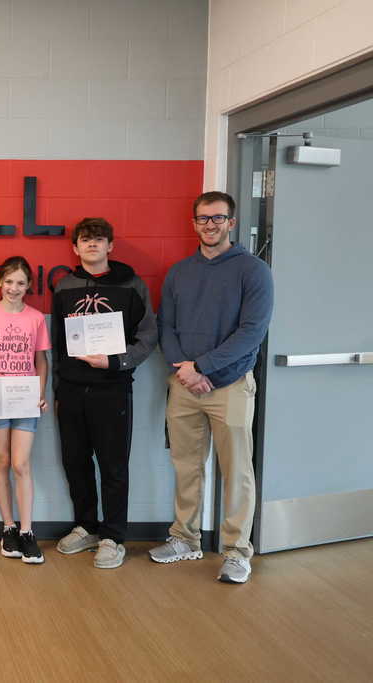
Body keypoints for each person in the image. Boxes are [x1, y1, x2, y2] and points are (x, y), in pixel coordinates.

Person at [151, 191, 273, 584]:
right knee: (186, 466)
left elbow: (252, 332)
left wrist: (203, 367)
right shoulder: (179, 272)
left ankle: (237, 551)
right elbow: (165, 326)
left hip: (231, 385)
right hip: (184, 386)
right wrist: (185, 372)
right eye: (203, 219)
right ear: (194, 223)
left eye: (218, 218)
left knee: (237, 471)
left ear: (231, 223)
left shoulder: (253, 271)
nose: (210, 225)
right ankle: (185, 538)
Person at [51, 218, 158, 570]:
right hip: (71, 390)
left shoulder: (132, 285)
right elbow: (56, 342)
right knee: (75, 462)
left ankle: (113, 536)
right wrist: (57, 388)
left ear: (110, 246)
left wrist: (117, 361)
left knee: (113, 465)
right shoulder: (64, 286)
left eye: (99, 240)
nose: (92, 245)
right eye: (85, 240)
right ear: (75, 247)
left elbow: (147, 337)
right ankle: (87, 527)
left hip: (112, 389)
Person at [0, 256, 50, 564]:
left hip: (26, 399)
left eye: (20, 282)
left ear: (29, 285)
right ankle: (9, 527)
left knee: (21, 464)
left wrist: (41, 395)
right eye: (9, 281)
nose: (14, 288)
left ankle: (28, 531)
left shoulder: (36, 318)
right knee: (1, 460)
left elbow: (42, 361)